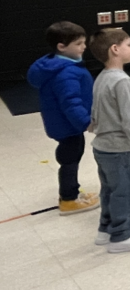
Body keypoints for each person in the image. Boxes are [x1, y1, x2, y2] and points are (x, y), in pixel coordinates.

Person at [88, 28, 130, 253]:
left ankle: (106, 229)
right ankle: (121, 234)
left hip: (101, 147)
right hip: (117, 149)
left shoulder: (102, 76)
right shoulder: (123, 81)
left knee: (109, 189)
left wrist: (93, 124)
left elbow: (95, 108)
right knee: (123, 192)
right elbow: (129, 120)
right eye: (129, 45)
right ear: (115, 49)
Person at [27, 21, 99, 215]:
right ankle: (68, 200)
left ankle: (72, 192)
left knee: (72, 157)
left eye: (83, 42)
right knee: (70, 159)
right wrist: (86, 122)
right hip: (67, 126)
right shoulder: (65, 72)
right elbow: (71, 103)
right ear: (61, 47)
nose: (84, 47)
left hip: (66, 125)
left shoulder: (61, 64)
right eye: (79, 44)